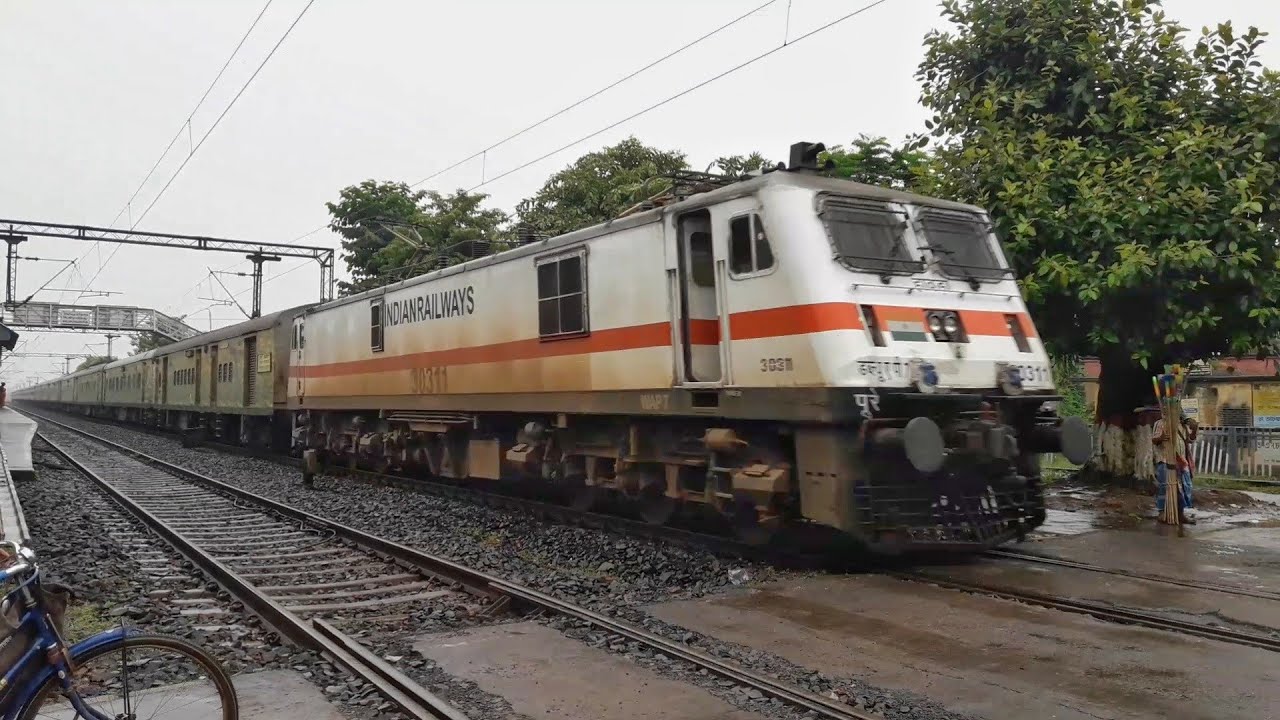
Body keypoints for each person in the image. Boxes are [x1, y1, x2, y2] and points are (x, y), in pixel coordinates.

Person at [1152, 411, 1194, 524]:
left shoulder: (1183, 426)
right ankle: (1162, 513)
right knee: (1164, 488)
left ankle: (1180, 514)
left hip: (1181, 462)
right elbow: (1154, 440)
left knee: (1184, 488)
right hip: (1165, 460)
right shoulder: (1161, 423)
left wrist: (1195, 428)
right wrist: (1161, 437)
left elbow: (1190, 439)